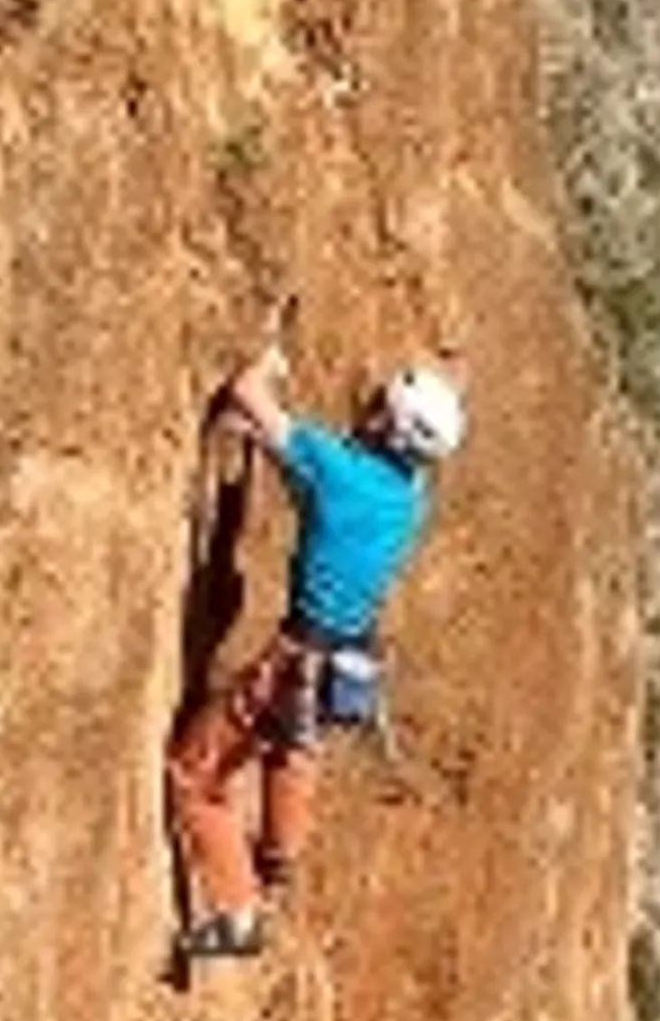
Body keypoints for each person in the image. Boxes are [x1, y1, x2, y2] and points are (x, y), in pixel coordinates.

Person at [166, 342, 464, 963]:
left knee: (194, 776)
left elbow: (250, 393)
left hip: (296, 659)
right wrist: (264, 444)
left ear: (390, 424)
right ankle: (278, 856)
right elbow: (317, 498)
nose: (370, 405)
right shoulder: (407, 499)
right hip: (343, 664)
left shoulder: (344, 474)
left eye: (382, 404)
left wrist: (269, 365)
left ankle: (237, 911)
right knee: (288, 743)